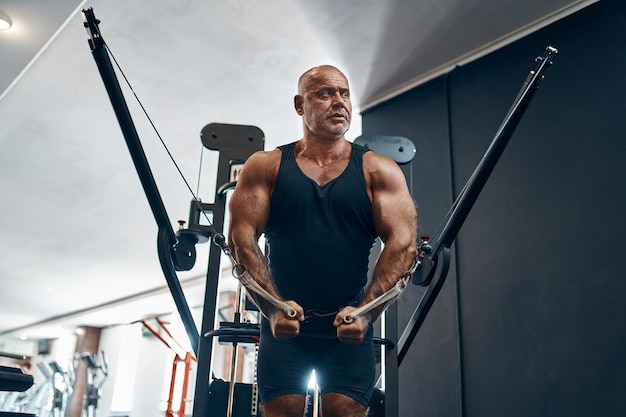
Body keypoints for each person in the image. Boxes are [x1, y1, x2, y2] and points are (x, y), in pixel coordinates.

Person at [228, 65, 418, 417]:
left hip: (348, 326)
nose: (338, 102)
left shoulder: (378, 170)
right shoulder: (265, 166)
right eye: (325, 93)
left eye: (344, 93)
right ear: (300, 105)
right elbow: (242, 241)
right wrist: (272, 308)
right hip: (283, 327)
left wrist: (366, 312)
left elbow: (403, 245)